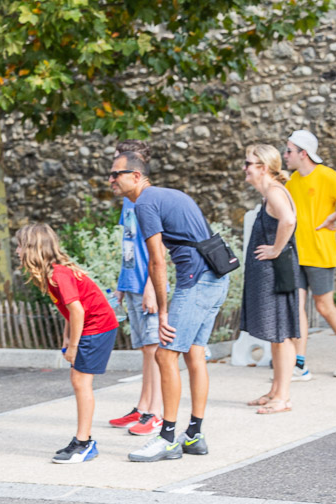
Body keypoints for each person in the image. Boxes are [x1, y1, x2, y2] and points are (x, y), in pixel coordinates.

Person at [109, 152, 229, 462]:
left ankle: (167, 439)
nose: (111, 180)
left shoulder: (145, 203)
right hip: (217, 278)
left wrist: (163, 311)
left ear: (136, 176)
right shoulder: (170, 195)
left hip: (197, 281)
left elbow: (157, 261)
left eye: (116, 174)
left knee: (165, 354)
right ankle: (194, 435)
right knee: (195, 354)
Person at [16, 223, 118, 464]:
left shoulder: (58, 275)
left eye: (20, 246)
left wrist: (73, 346)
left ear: (33, 248)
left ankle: (84, 443)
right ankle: (82, 440)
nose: (18, 252)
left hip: (98, 327)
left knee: (81, 382)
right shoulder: (53, 273)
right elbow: (71, 311)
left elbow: (78, 310)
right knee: (79, 381)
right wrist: (66, 338)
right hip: (93, 327)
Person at [283, 130, 336, 379]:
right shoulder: (292, 182)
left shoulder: (326, 175)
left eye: (289, 150)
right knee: (297, 307)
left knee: (324, 307)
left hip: (320, 252)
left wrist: (333, 217)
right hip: (296, 253)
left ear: (303, 153)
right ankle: (299, 364)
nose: (285, 155)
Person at [107, 139, 164, 437]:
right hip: (131, 283)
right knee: (145, 348)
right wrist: (121, 282)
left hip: (146, 285)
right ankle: (143, 407)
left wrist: (152, 288)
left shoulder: (147, 200)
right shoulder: (128, 202)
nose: (113, 175)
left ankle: (155, 412)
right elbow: (127, 244)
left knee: (154, 349)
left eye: (119, 167)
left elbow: (158, 250)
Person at [241, 144, 301, 414]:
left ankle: (283, 397)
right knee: (276, 334)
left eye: (248, 164)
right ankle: (276, 390)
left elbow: (288, 220)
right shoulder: (269, 194)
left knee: (282, 333)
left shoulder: (275, 192)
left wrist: (276, 250)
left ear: (263, 168)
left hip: (275, 273)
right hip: (269, 273)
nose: (244, 169)